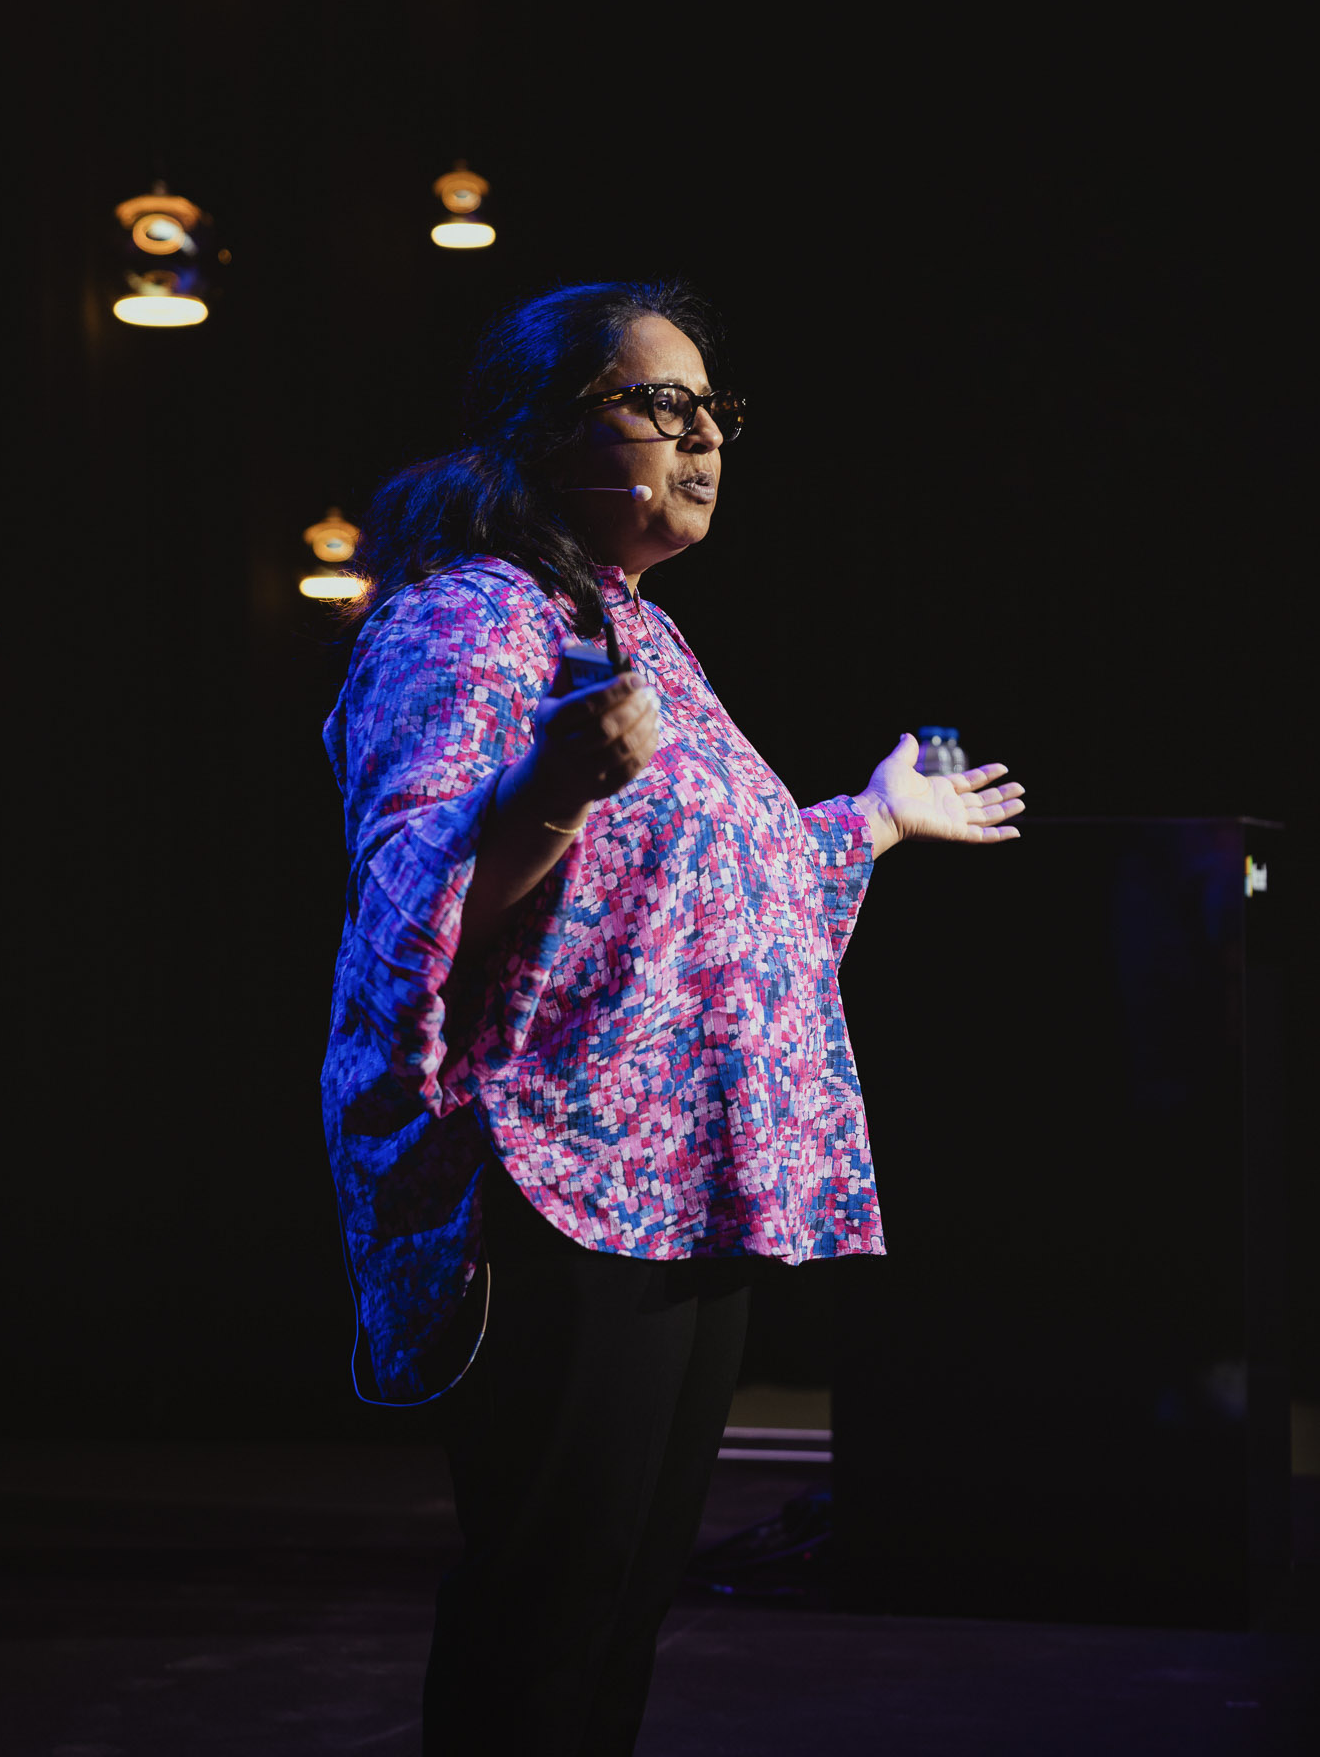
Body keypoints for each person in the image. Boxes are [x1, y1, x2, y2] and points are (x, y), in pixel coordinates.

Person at [320, 280, 1024, 1756]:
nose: (703, 437)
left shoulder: (641, 635)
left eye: (716, 409)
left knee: (623, 1604)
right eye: (659, 403)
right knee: (549, 1606)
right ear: (538, 427)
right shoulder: (471, 622)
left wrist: (876, 821)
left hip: (682, 1187)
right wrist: (549, 786)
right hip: (558, 1185)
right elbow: (413, 894)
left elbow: (723, 894)